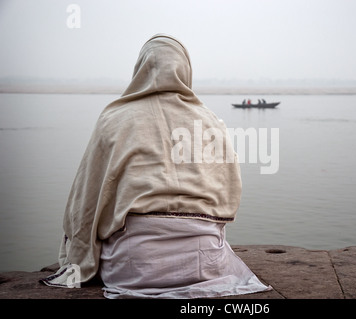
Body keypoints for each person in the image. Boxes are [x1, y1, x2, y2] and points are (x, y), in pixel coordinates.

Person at [40, 34, 270, 298]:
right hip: (205, 263)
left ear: (141, 68)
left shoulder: (114, 119)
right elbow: (229, 197)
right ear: (185, 69)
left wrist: (79, 255)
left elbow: (86, 202)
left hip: (133, 267)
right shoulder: (211, 121)